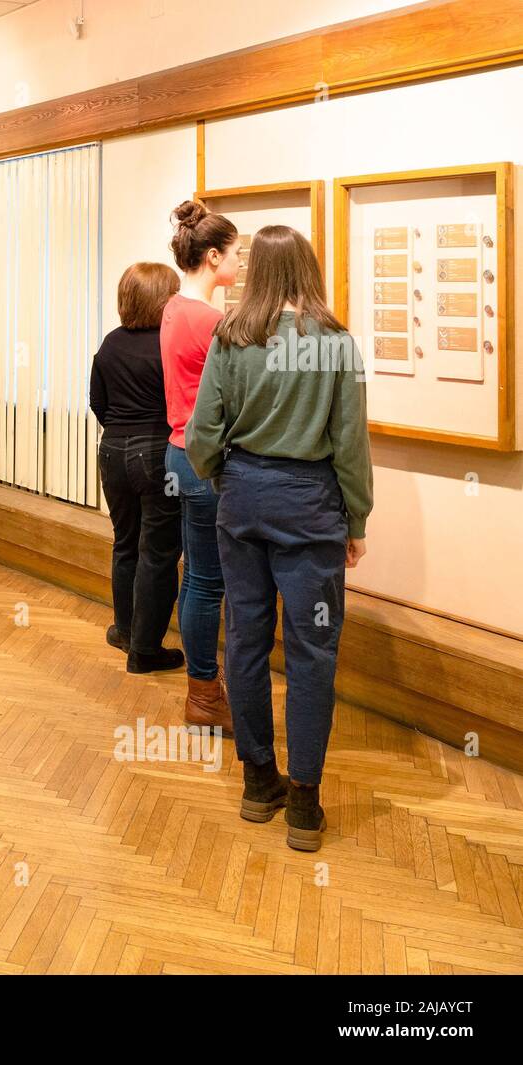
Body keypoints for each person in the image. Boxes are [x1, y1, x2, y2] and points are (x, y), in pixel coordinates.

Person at [186, 225, 373, 853]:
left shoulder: (232, 336)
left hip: (243, 501)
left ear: (258, 270)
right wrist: (358, 519)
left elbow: (202, 432)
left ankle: (257, 782)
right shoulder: (336, 342)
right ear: (307, 267)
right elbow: (349, 444)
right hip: (311, 506)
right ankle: (304, 804)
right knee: (312, 652)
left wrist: (224, 477)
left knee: (243, 639)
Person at [160, 200, 241, 730]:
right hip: (207, 459)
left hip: (179, 453)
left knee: (196, 579)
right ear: (213, 256)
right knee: (210, 583)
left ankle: (202, 688)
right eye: (238, 253)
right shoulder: (212, 321)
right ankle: (206, 694)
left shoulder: (172, 307)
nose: (243, 262)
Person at [91, 263, 184, 674]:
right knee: (158, 552)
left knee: (124, 543)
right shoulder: (169, 344)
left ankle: (125, 632)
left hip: (111, 449)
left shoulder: (110, 343)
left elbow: (98, 401)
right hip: (156, 451)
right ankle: (145, 650)